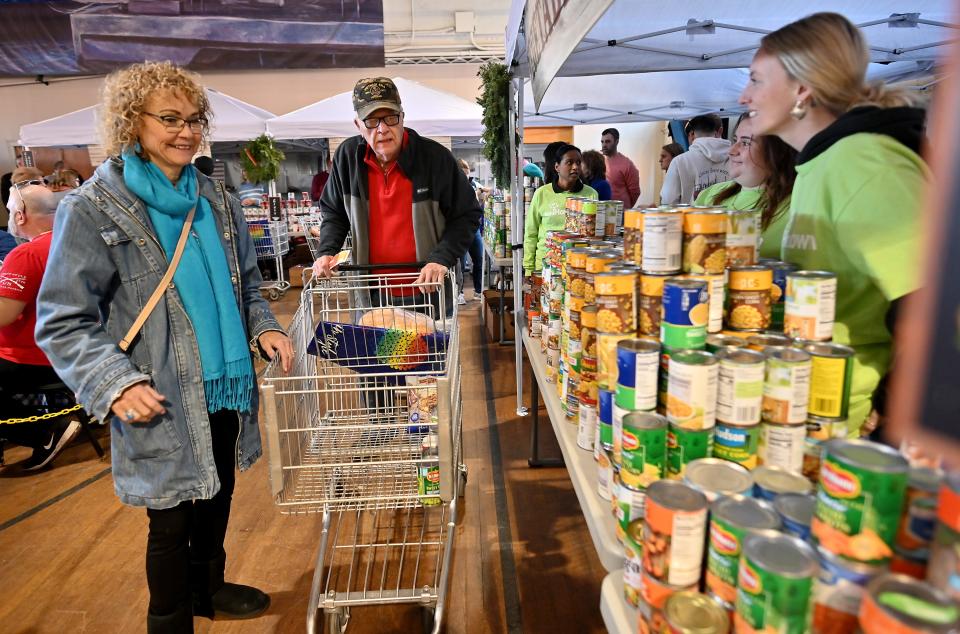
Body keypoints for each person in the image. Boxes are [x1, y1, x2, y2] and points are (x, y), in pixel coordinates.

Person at [35, 61, 293, 632]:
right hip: (159, 388)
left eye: (195, 119)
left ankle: (209, 588)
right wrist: (115, 381)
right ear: (134, 122)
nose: (186, 131)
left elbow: (246, 284)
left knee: (218, 492)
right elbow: (62, 319)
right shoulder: (94, 207)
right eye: (170, 119)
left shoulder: (215, 199)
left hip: (225, 379)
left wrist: (264, 327)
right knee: (171, 520)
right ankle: (169, 619)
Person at [739, 12, 927, 437]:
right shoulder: (820, 163)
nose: (743, 98)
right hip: (811, 409)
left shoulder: (862, 162)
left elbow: (931, 308)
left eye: (756, 80)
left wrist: (890, 422)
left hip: (854, 424)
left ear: (802, 89)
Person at [311, 77, 482, 303]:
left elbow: (466, 215)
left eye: (391, 118)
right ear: (358, 125)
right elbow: (334, 213)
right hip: (372, 293)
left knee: (430, 340)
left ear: (402, 117)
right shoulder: (347, 158)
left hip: (429, 293)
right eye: (371, 121)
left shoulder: (435, 158)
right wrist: (326, 251)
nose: (382, 129)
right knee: (374, 340)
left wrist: (441, 258)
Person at [0, 183, 81, 471]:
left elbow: (4, 316)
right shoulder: (78, 243)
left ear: (20, 215)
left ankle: (45, 433)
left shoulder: (25, 255)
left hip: (32, 355)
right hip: (78, 348)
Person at [694, 115, 797, 258]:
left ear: (777, 152)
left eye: (746, 142)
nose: (732, 151)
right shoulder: (709, 194)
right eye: (735, 140)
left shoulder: (798, 204)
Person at [523, 144, 598, 277]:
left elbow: (593, 234)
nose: (575, 167)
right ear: (557, 167)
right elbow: (531, 234)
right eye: (569, 162)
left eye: (578, 163)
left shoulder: (590, 195)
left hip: (577, 266)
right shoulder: (541, 194)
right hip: (545, 266)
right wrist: (529, 269)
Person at [661, 114, 731, 204]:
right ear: (719, 131)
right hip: (729, 217)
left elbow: (668, 201)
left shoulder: (679, 162)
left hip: (692, 217)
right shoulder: (736, 159)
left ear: (692, 133)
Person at [456, 159, 483, 304]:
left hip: (474, 229)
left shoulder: (473, 185)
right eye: (464, 175)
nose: (467, 177)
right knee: (460, 263)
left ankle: (478, 291)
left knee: (478, 259)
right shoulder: (452, 189)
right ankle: (459, 293)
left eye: (468, 175)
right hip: (460, 230)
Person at [600, 128, 641, 208]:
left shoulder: (627, 164)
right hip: (601, 210)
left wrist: (625, 206)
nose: (604, 145)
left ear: (616, 142)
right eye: (602, 142)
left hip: (620, 211)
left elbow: (635, 192)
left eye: (608, 141)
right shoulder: (599, 161)